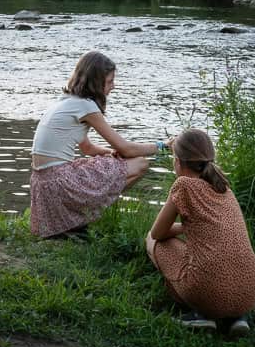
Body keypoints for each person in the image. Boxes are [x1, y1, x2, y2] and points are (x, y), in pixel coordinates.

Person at [30, 50, 166, 239]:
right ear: (96, 82)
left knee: (119, 165)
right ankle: (86, 218)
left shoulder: (67, 101)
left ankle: (74, 222)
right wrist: (163, 146)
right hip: (59, 182)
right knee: (140, 163)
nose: (114, 86)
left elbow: (88, 149)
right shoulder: (86, 106)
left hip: (43, 183)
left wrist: (111, 154)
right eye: (110, 81)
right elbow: (126, 148)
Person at [145, 128, 255, 337]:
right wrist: (189, 227)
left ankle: (201, 313)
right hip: (248, 295)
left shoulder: (184, 185)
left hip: (207, 293)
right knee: (208, 252)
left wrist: (183, 228)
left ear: (178, 161)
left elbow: (157, 232)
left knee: (153, 242)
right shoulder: (224, 187)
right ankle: (237, 318)